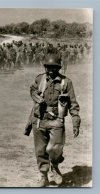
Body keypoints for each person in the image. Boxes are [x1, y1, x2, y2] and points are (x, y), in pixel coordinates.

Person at [29, 54, 81, 187]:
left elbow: (73, 104)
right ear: (45, 67)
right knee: (40, 150)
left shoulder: (66, 82)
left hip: (57, 120)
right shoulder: (40, 79)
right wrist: (36, 97)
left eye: (54, 67)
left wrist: (76, 122)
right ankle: (43, 175)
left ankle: (55, 167)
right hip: (40, 119)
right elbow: (32, 90)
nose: (50, 70)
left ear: (58, 68)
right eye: (48, 67)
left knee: (55, 148)